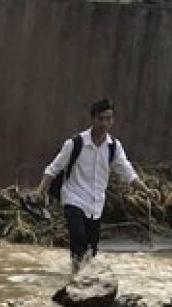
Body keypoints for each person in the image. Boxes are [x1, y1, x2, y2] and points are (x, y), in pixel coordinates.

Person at [32, 98, 155, 273]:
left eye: (109, 119)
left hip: (96, 203)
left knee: (91, 250)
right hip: (73, 197)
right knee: (78, 235)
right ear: (93, 119)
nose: (105, 124)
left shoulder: (114, 147)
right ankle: (76, 278)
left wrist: (146, 190)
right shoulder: (75, 144)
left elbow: (127, 171)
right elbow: (53, 169)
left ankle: (83, 276)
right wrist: (39, 193)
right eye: (101, 119)